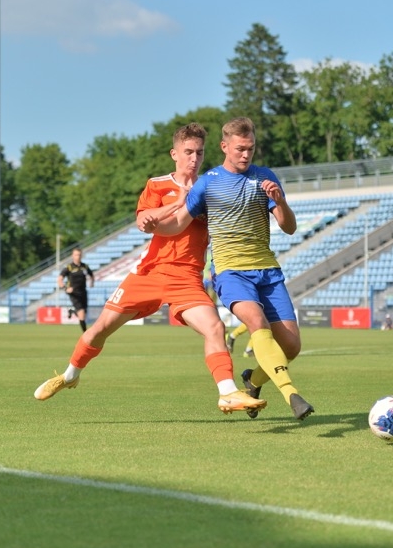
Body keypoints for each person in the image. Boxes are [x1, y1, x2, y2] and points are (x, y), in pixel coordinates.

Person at [35, 123, 266, 415]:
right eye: (188, 152)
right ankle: (69, 376)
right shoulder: (157, 185)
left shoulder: (212, 185)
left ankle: (227, 393)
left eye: (199, 152)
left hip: (187, 278)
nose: (194, 158)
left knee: (215, 327)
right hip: (149, 273)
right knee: (99, 330)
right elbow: (145, 221)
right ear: (174, 154)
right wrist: (181, 203)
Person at [154, 117, 314, 421]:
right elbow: (178, 223)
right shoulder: (209, 182)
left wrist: (280, 202)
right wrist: (151, 223)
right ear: (225, 146)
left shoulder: (265, 177)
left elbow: (289, 228)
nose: (246, 154)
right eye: (240, 148)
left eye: (250, 149)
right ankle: (291, 394)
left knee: (291, 347)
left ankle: (253, 382)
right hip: (231, 272)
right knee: (257, 325)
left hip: (268, 271)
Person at [58, 248, 94, 332]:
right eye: (76, 255)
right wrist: (65, 288)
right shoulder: (69, 267)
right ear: (72, 256)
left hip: (83, 292)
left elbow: (91, 275)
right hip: (74, 293)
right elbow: (59, 279)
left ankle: (72, 311)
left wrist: (92, 283)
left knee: (83, 313)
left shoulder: (84, 266)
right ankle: (85, 334)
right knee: (81, 313)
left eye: (79, 255)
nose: (78, 256)